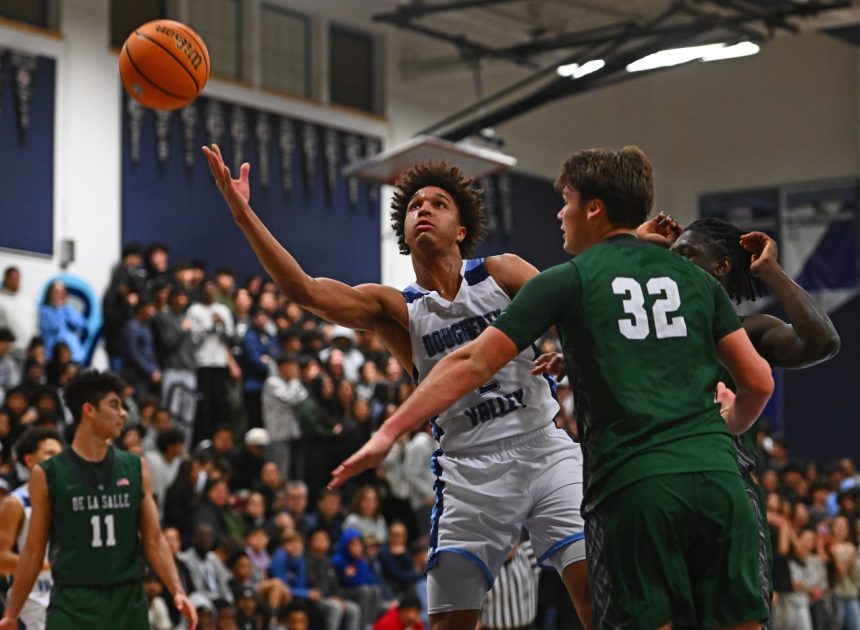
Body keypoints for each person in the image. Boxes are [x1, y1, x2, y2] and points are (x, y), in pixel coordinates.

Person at [331, 146, 775, 630]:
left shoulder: (568, 280)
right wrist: (725, 425)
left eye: (566, 201)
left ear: (594, 207)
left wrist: (389, 430)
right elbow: (759, 382)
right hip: (717, 477)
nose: (559, 213)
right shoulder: (693, 277)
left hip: (637, 482)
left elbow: (473, 361)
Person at [203, 144, 592, 629]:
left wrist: (572, 354)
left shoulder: (502, 272)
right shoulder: (398, 309)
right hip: (468, 470)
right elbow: (304, 290)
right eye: (414, 206)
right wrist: (243, 215)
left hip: (544, 450)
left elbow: (576, 306)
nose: (423, 209)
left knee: (595, 593)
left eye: (438, 203)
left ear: (462, 229)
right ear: (405, 232)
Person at [0, 369, 197, 629]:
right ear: (89, 410)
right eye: (114, 405)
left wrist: (177, 589)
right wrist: (11, 613)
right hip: (73, 602)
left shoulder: (136, 468)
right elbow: (34, 551)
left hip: (127, 602)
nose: (124, 413)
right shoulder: (48, 474)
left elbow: (153, 539)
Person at [0, 428, 63, 629]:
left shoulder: (69, 500)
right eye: (50, 454)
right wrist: (45, 564)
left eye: (61, 454)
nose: (58, 460)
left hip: (66, 598)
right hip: (30, 604)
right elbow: (1, 559)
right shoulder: (15, 503)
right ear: (29, 460)